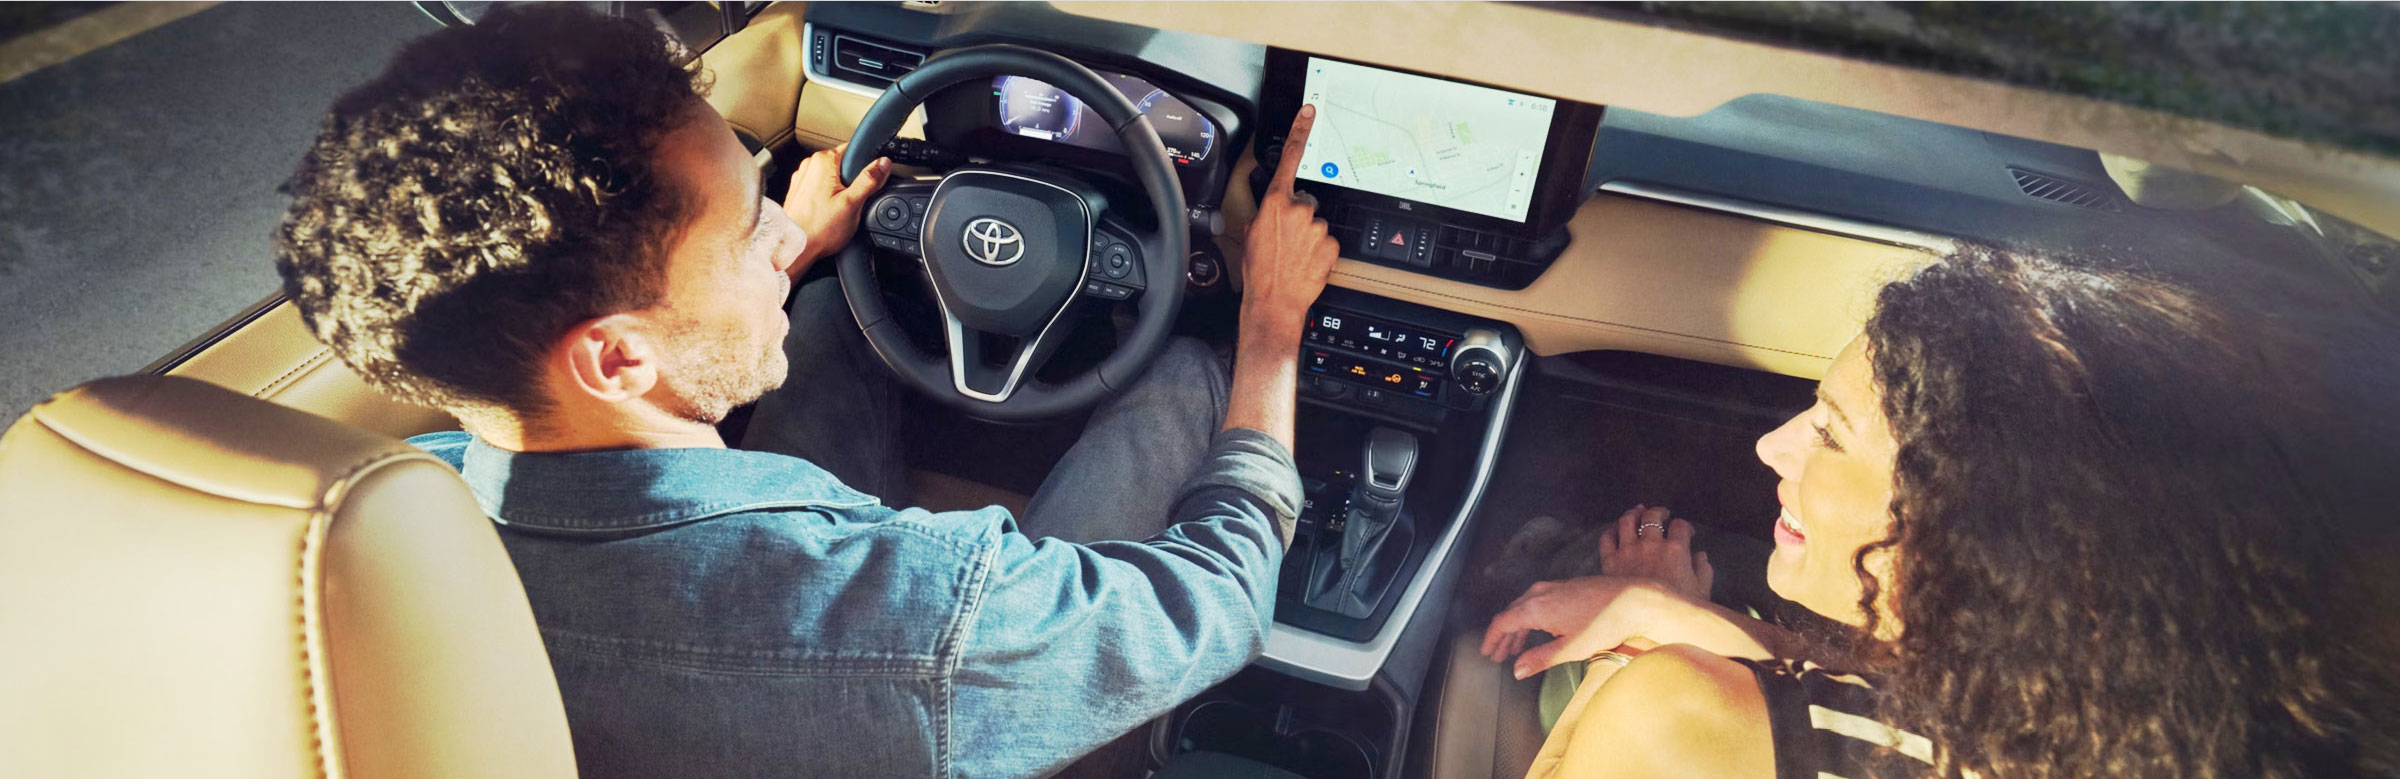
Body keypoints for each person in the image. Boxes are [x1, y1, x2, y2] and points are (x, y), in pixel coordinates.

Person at [271, 7, 1341, 777]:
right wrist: (1269, 329)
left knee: (832, 316)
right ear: (616, 357)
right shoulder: (929, 619)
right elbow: (1214, 603)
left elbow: (685, 340)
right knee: (1180, 374)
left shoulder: (390, 524)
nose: (792, 229)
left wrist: (771, 275)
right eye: (752, 227)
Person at [1482, 245, 2400, 778]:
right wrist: (1715, 623)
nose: (1773, 446)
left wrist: (1631, 668)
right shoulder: (2152, 731)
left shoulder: (1681, 718)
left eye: (1832, 435)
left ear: (1997, 543)